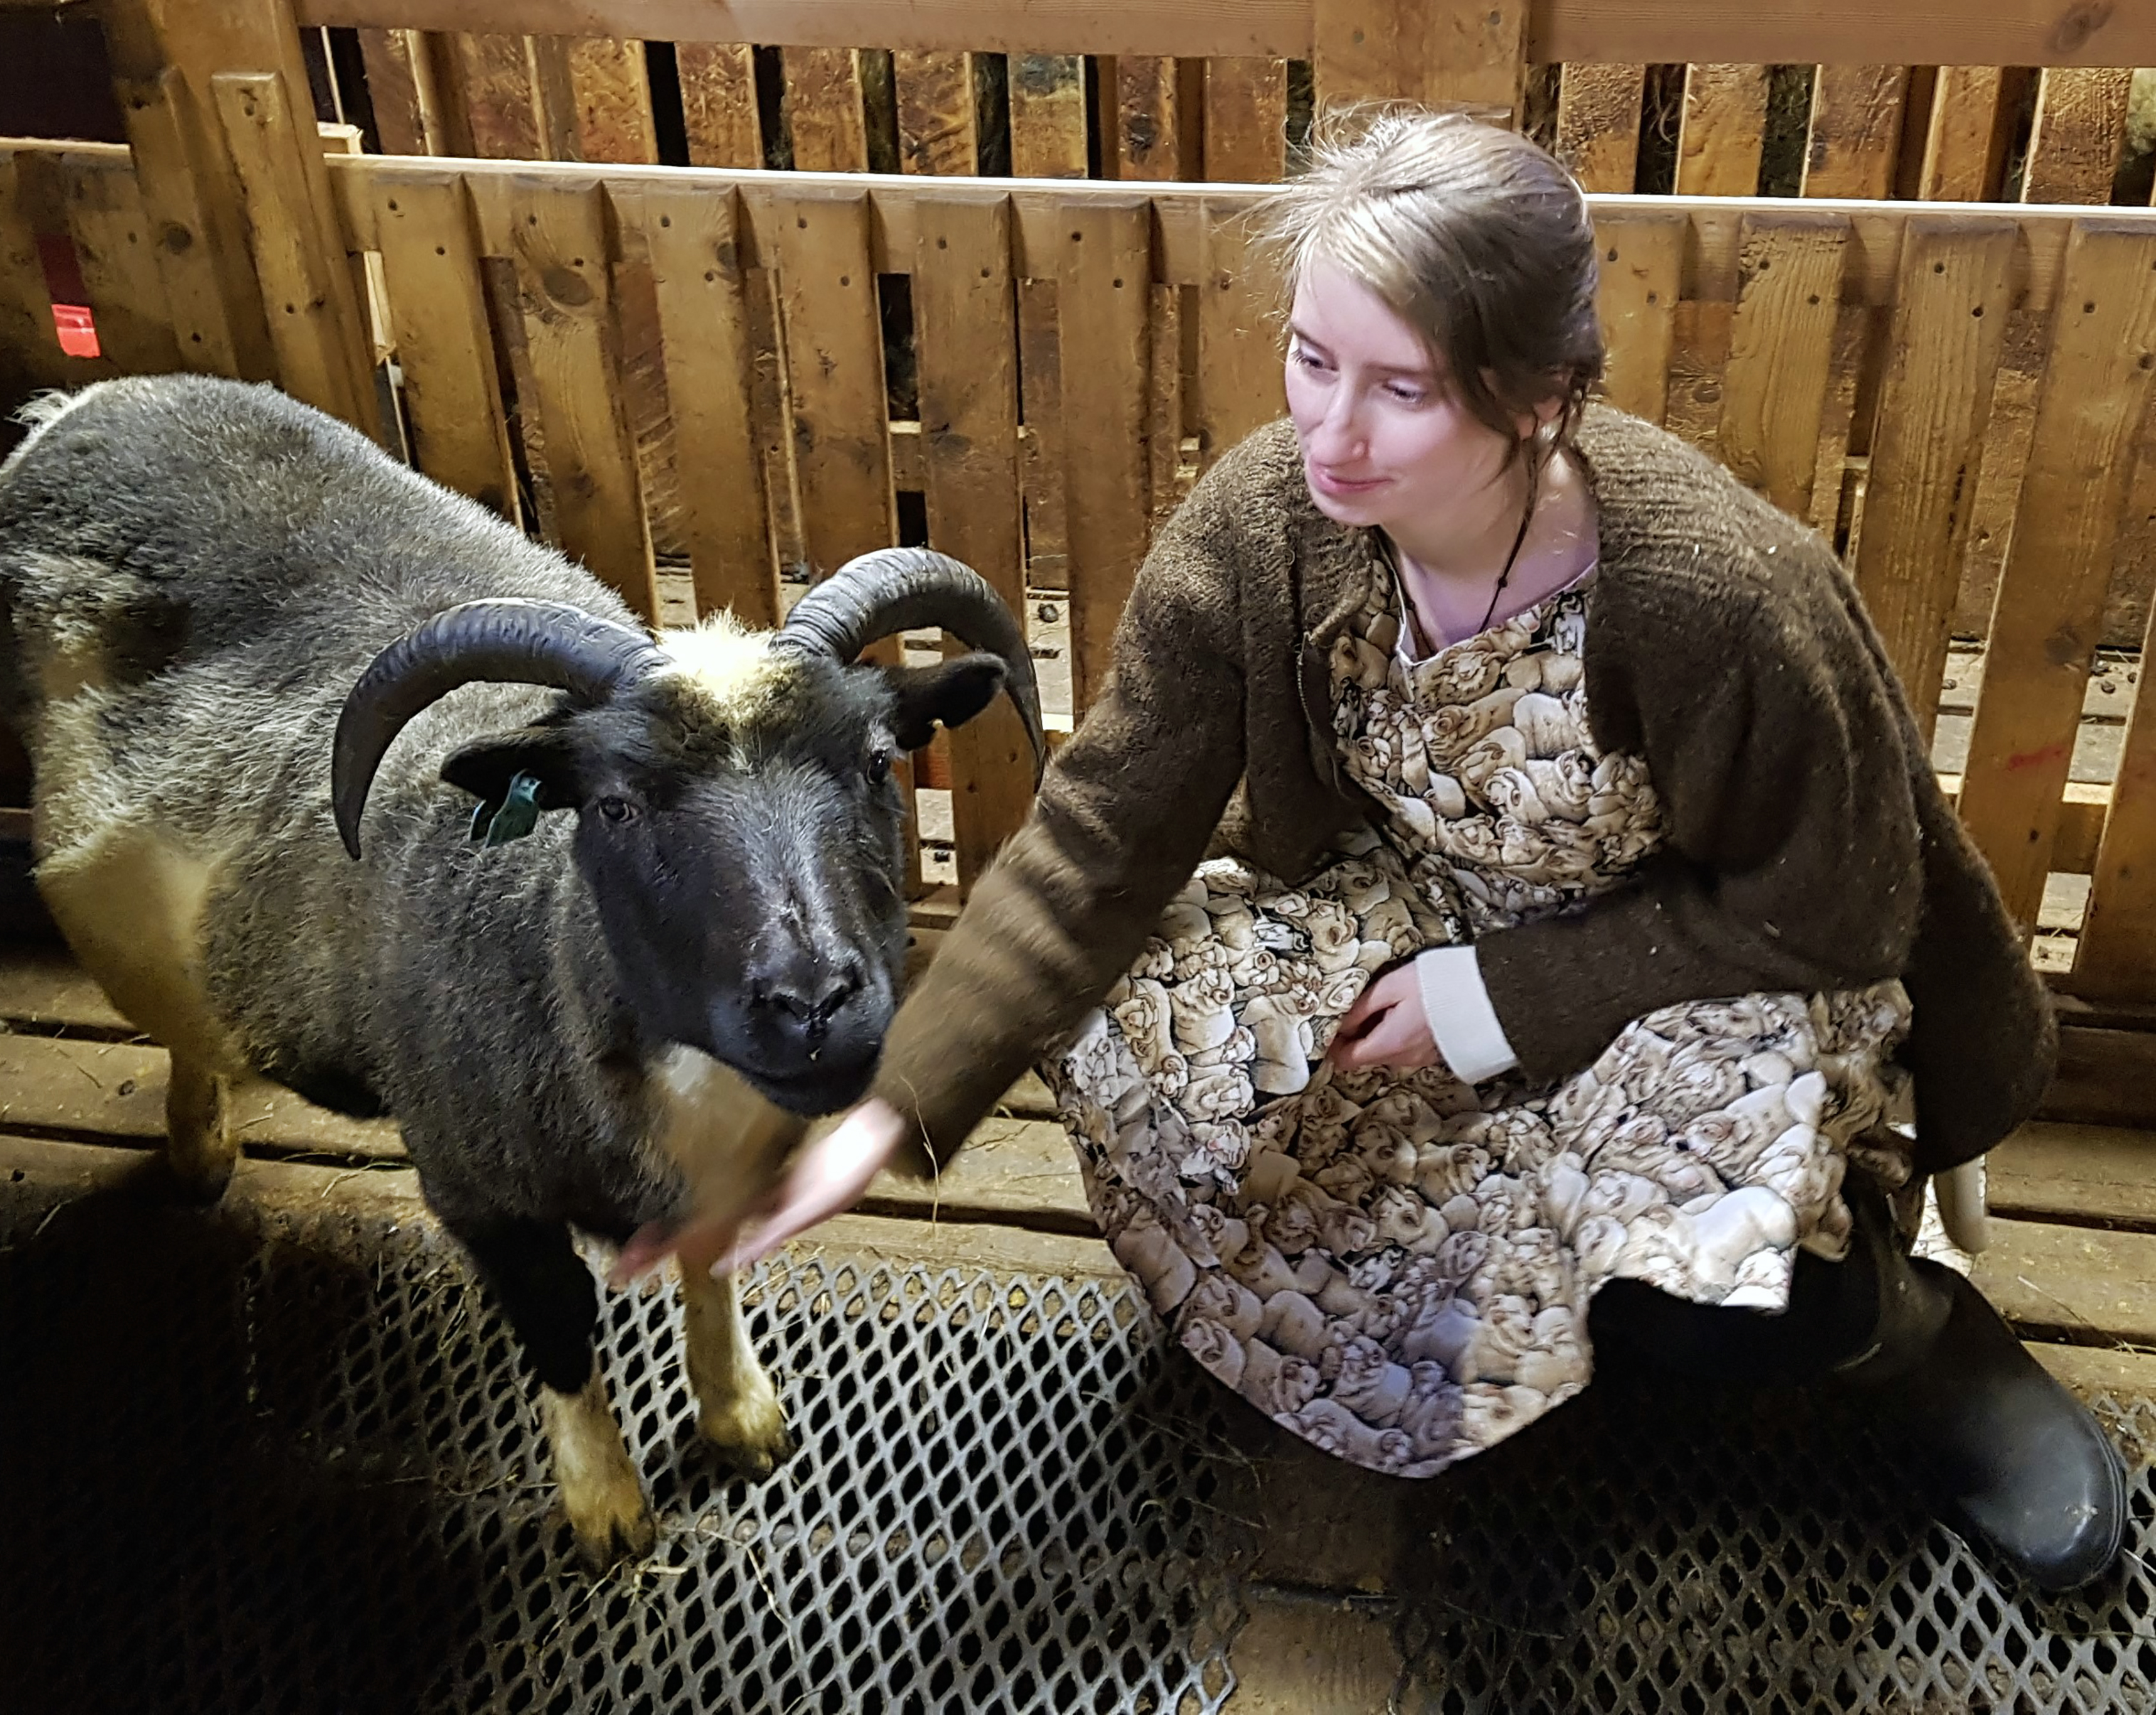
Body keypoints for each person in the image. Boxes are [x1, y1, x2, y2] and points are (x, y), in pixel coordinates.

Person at [635, 110, 2124, 1591]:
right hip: (1413, 904)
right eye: (1310, 358)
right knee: (1131, 1030)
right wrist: (884, 1114)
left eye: (1399, 388)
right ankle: (1456, 1352)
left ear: (1539, 395)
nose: (1329, 431)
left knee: (1720, 1291)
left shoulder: (1712, 592)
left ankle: (1911, 1339)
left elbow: (1837, 910)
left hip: (1698, 958)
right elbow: (1099, 835)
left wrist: (1497, 1000)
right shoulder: (1265, 519)